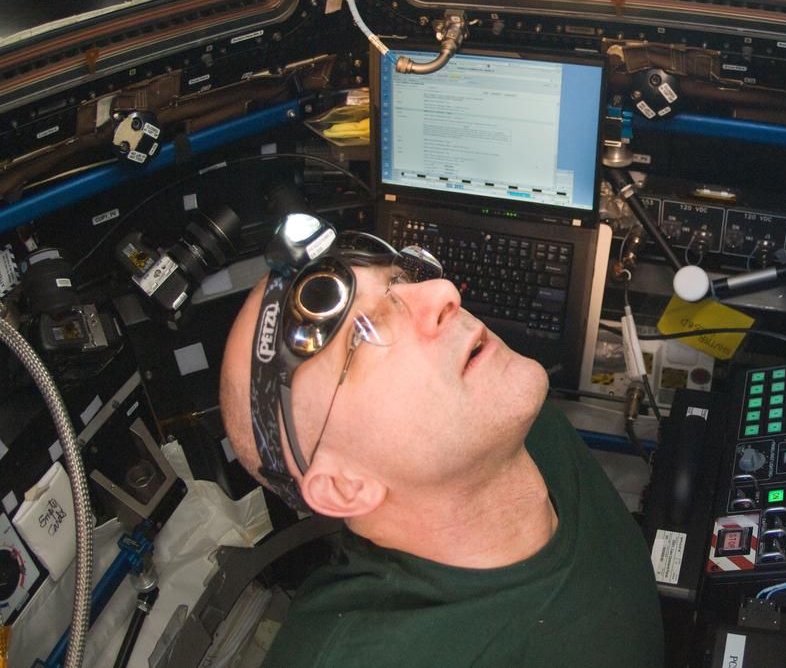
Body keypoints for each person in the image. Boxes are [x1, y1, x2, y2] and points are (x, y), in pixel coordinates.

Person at [218, 216, 664, 667]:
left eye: (400, 280)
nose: (443, 292)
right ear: (344, 486)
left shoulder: (511, 416)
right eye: (365, 332)